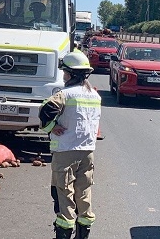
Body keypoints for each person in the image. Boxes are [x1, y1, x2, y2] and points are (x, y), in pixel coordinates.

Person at [38, 51, 100, 239]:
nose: (63, 75)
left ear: (71, 74)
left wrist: (51, 127)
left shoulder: (65, 94)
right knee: (83, 194)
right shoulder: (95, 95)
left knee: (64, 195)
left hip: (66, 151)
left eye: (65, 72)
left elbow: (45, 111)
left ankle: (64, 232)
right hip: (88, 151)